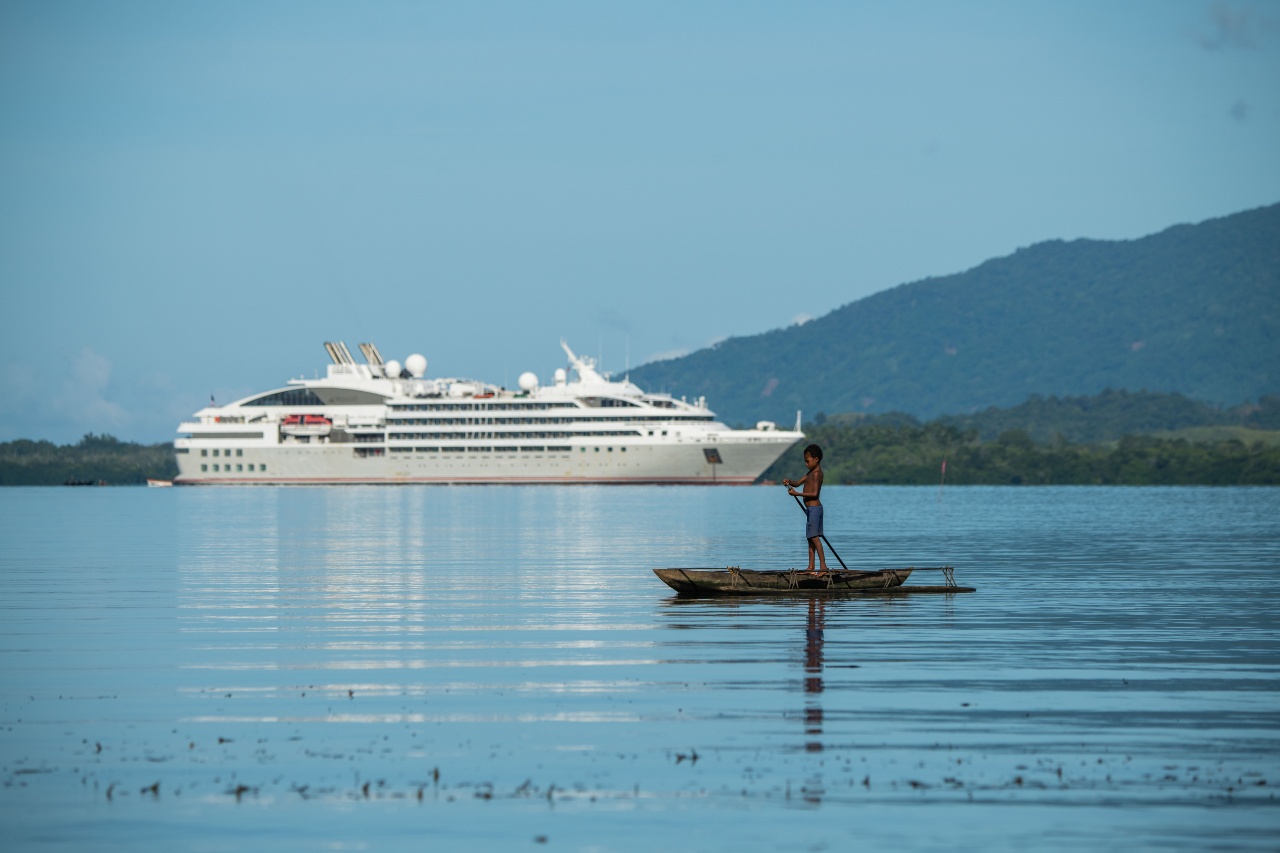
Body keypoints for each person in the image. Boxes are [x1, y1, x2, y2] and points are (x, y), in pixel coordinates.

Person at [783, 444, 828, 574]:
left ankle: (823, 567)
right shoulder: (810, 473)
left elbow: (814, 494)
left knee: (815, 538)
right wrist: (789, 481)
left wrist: (797, 494)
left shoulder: (817, 474)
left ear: (816, 459)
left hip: (814, 509)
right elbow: (797, 483)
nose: (806, 464)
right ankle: (811, 567)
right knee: (810, 538)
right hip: (811, 510)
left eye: (807, 461)